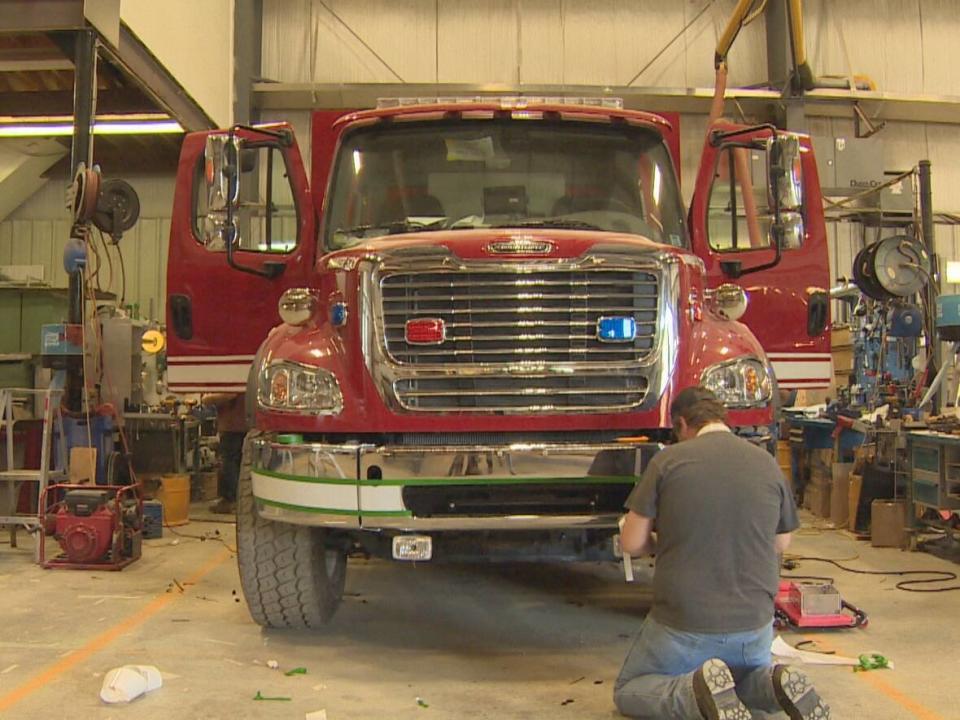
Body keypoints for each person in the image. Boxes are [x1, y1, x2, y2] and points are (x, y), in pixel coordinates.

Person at [614, 386, 830, 720]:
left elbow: (631, 542)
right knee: (735, 684)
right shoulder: (767, 463)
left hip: (684, 625)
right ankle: (773, 684)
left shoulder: (667, 461)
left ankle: (693, 697)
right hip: (754, 625)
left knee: (630, 690)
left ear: (683, 424)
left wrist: (663, 542)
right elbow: (781, 542)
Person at [205, 393, 247, 514]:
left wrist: (209, 398)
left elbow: (229, 394)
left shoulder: (234, 378)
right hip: (240, 425)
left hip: (233, 427)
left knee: (229, 464)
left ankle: (231, 500)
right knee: (237, 463)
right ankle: (236, 500)